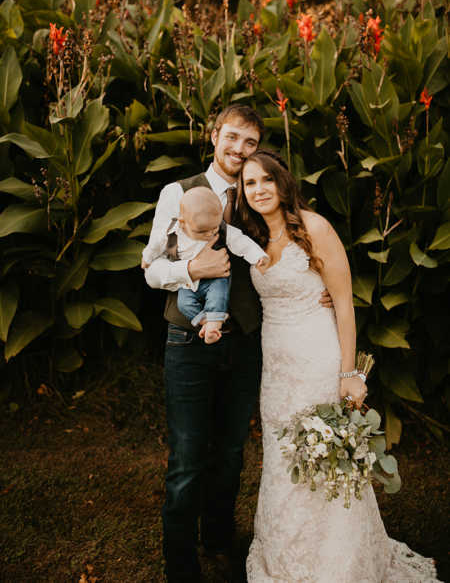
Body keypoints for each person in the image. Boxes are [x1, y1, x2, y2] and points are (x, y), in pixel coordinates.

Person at [141, 104, 333, 583]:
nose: (239, 150)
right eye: (232, 138)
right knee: (188, 455)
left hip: (245, 342)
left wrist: (318, 284)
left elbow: (288, 239)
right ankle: (180, 560)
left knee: (230, 452)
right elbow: (149, 267)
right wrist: (190, 269)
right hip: (187, 341)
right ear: (213, 136)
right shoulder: (177, 193)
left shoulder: (254, 194)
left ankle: (219, 542)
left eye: (250, 142)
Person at [237, 148, 441, 583]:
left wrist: (350, 373)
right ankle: (288, 554)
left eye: (265, 180)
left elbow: (344, 303)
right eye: (249, 183)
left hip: (316, 357)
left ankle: (337, 562)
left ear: (282, 182)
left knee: (324, 454)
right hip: (275, 368)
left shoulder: (314, 228)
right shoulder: (253, 238)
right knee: (282, 457)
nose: (258, 189)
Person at [143, 185, 268, 344]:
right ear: (183, 222)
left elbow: (240, 241)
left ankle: (214, 324)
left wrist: (258, 256)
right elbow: (156, 245)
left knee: (218, 297)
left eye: (214, 228)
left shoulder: (220, 228)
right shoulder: (172, 232)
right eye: (202, 232)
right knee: (184, 303)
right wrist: (147, 257)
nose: (210, 234)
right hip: (188, 283)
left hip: (216, 278)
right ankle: (203, 321)